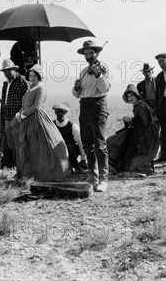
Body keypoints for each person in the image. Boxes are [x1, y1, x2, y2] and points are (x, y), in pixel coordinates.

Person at [17, 65, 70, 182]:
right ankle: (29, 175)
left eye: (35, 76)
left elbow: (37, 106)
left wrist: (23, 114)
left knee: (40, 146)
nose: (32, 78)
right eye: (30, 76)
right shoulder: (30, 88)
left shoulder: (41, 88)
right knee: (28, 147)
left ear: (39, 77)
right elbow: (25, 104)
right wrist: (20, 113)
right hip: (27, 120)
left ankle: (46, 174)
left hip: (36, 120)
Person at [72, 40, 111, 192]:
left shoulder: (103, 68)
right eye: (86, 54)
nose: (88, 56)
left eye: (91, 53)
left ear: (97, 53)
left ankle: (104, 179)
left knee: (100, 144)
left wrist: (98, 75)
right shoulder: (83, 72)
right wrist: (76, 87)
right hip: (85, 106)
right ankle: (92, 176)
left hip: (98, 105)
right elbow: (78, 94)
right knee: (87, 143)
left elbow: (105, 88)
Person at [0, 59, 29, 169]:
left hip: (17, 118)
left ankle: (22, 171)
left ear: (14, 69)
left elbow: (27, 101)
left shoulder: (22, 82)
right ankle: (18, 170)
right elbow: (3, 103)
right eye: (4, 71)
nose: (6, 73)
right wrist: (4, 122)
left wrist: (19, 116)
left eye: (8, 70)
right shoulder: (5, 84)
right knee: (12, 146)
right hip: (7, 118)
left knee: (19, 146)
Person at [137, 62, 166, 161]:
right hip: (148, 110)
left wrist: (158, 107)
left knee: (164, 131)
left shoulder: (158, 81)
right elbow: (140, 99)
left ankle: (164, 153)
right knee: (153, 132)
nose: (147, 73)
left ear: (152, 71)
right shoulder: (140, 85)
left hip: (160, 108)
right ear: (143, 73)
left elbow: (161, 96)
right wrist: (148, 108)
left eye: (149, 71)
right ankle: (154, 154)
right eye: (145, 72)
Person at [53, 103, 88, 173]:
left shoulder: (73, 126)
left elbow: (80, 142)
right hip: (58, 150)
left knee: (69, 147)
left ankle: (77, 167)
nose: (61, 114)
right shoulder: (52, 125)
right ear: (55, 112)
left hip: (71, 150)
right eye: (58, 112)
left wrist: (83, 159)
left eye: (63, 112)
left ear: (66, 113)